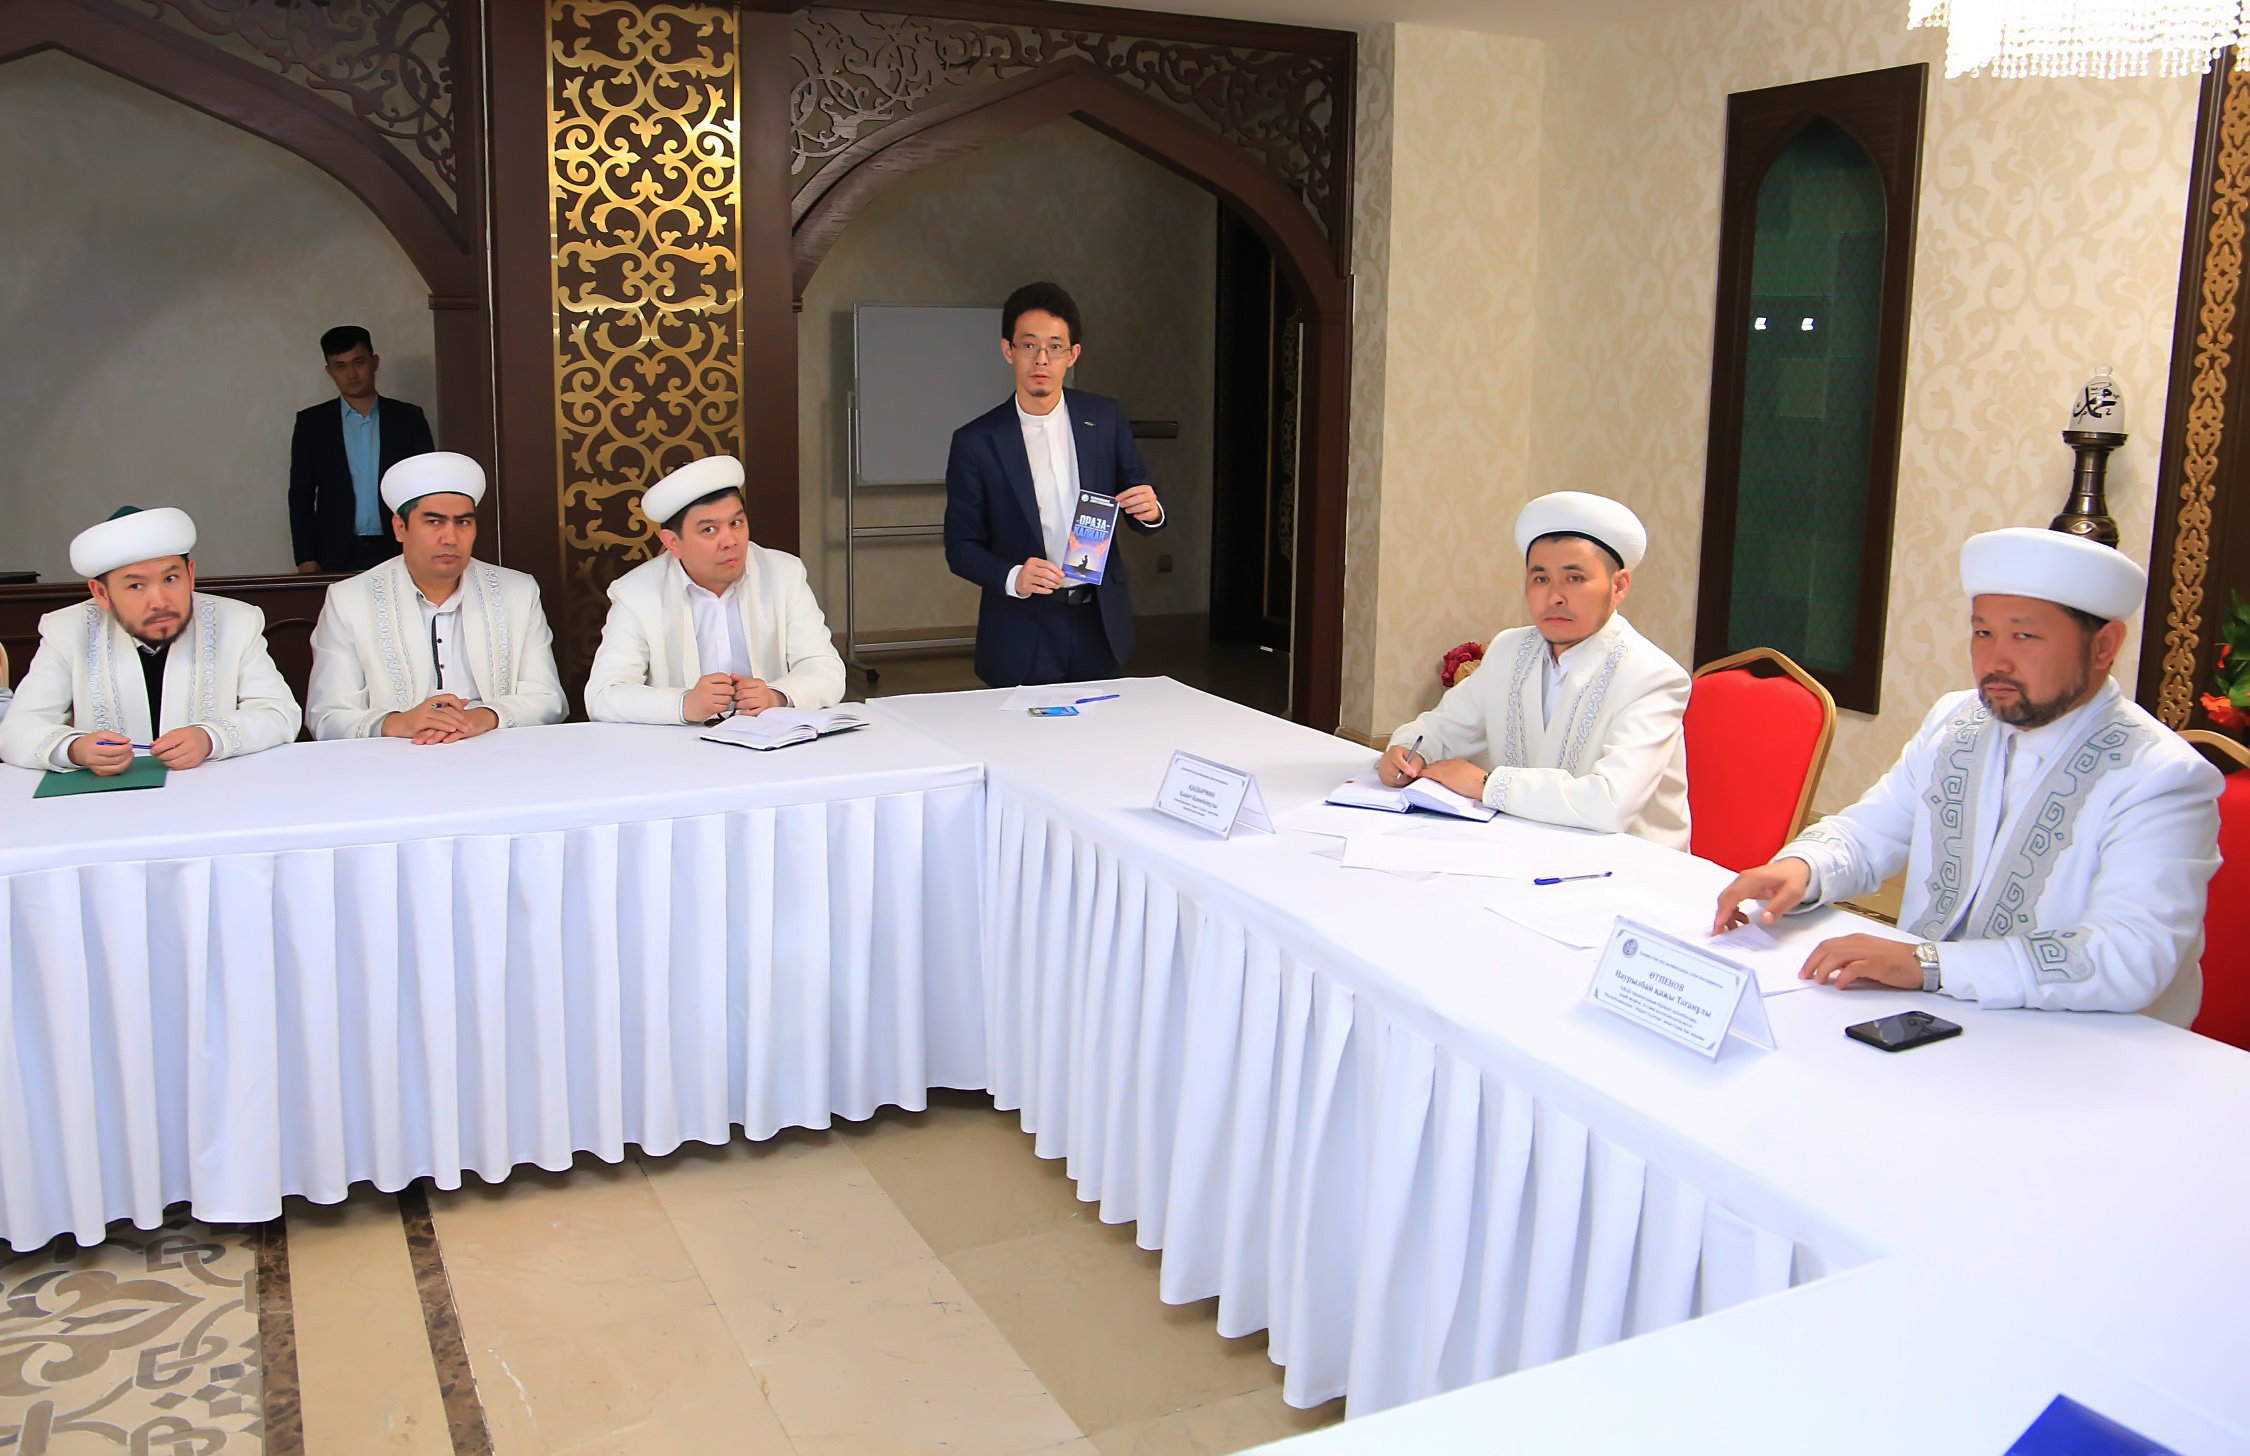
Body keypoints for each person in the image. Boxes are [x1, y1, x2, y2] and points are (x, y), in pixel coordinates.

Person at [1713, 527, 2222, 1026]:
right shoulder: (1957, 722)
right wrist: (1804, 867)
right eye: (1983, 632)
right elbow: (1871, 831)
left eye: (2025, 636)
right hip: (1928, 1013)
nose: (1995, 660)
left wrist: (1929, 965)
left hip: (2081, 1044)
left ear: (2104, 646)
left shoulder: (2161, 777)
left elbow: (2130, 955)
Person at [1377, 491, 1691, 848]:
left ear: (1618, 586)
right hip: (1519, 846)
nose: (1554, 596)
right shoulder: (1510, 649)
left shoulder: (1653, 677)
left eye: (1574, 579)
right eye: (1541, 579)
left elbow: (1610, 804)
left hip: (1626, 864)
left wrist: (1488, 785)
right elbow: (1445, 727)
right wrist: (1409, 750)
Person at [942, 281, 1166, 687]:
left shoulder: (1105, 417)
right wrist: (1014, 576)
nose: (1041, 359)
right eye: (1029, 345)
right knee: (1022, 728)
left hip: (1098, 620)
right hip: (1022, 625)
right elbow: (960, 547)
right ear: (1008, 350)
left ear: (1072, 354)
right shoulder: (976, 441)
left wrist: (1151, 512)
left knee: (1102, 726)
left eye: (1055, 347)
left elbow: (1138, 497)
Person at [0, 507, 300, 774]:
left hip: (212, 793)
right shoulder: (67, 630)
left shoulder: (237, 621)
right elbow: (16, 731)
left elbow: (279, 713)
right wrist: (75, 749)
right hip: (107, 804)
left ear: (190, 575)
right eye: (136, 586)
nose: (159, 601)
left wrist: (210, 738)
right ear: (101, 593)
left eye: (171, 579)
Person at [305, 452, 566, 742]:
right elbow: (327, 715)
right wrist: (399, 723)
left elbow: (548, 698)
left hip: (493, 744)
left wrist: (485, 717)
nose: (450, 538)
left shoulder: (518, 592)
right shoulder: (349, 600)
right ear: (400, 528)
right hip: (395, 755)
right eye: (433, 522)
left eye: (463, 523)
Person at [585, 455, 845, 724]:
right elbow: (603, 695)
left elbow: (825, 668)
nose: (730, 541)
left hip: (769, 737)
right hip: (680, 744)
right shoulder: (636, 593)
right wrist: (684, 704)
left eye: (736, 523)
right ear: (673, 543)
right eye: (709, 530)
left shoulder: (784, 574)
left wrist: (777, 695)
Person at [290, 325, 437, 575]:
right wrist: (306, 557)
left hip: (400, 547)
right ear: (329, 371)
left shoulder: (408, 419)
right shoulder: (312, 424)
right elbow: (300, 495)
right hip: (335, 553)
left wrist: (428, 545)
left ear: (374, 362)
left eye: (359, 362)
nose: (352, 374)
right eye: (341, 366)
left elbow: (426, 490)